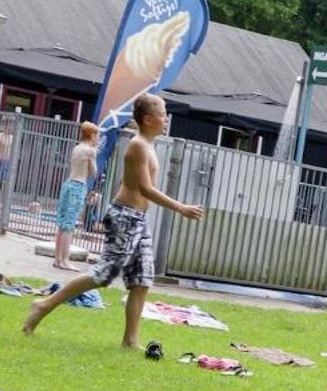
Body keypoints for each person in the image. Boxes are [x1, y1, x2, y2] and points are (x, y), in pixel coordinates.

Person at [22, 94, 203, 349]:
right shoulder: (138, 145)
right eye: (163, 114)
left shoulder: (147, 145)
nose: (167, 119)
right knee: (103, 274)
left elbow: (126, 182)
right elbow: (145, 188)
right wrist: (180, 207)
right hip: (127, 217)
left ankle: (130, 341)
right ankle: (44, 304)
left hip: (137, 219)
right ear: (149, 119)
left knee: (142, 280)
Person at [50, 120, 99, 272]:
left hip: (68, 184)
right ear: (92, 135)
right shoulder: (90, 151)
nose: (98, 138)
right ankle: (65, 260)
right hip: (78, 186)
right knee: (69, 225)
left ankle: (57, 259)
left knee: (62, 223)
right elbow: (93, 172)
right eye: (97, 135)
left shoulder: (77, 148)